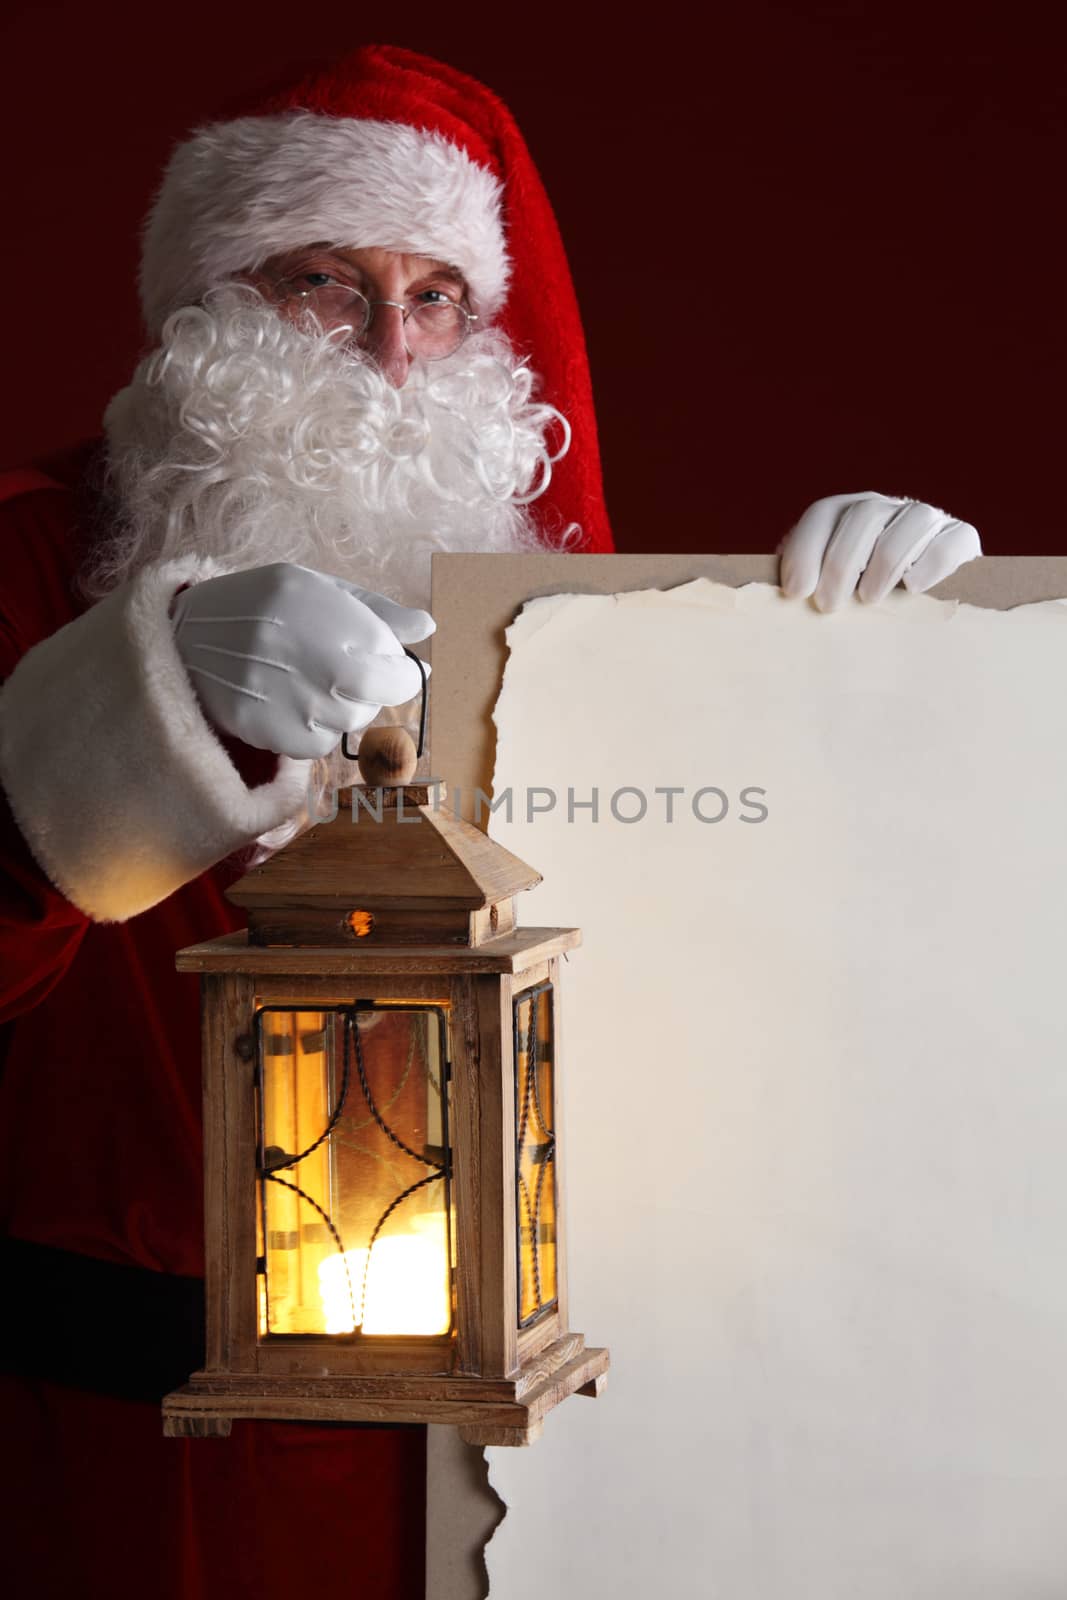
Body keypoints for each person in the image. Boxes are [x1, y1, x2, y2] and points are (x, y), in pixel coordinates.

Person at [0, 44, 981, 1600]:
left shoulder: (531, 581)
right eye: (325, 282)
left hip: (529, 1452)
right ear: (207, 306)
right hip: (135, 1455)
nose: (393, 347)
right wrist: (131, 715)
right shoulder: (31, 557)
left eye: (438, 296)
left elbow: (763, 973)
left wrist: (898, 666)